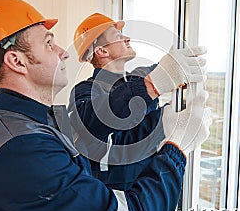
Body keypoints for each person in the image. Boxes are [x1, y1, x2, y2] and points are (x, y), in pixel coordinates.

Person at [0, 0, 211, 211]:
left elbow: (116, 133)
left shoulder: (34, 123)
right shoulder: (21, 149)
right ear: (16, 61)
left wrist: (163, 123)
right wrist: (176, 147)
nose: (64, 53)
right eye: (49, 43)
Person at [68, 13, 207, 190]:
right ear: (102, 51)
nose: (127, 38)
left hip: (149, 184)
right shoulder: (85, 91)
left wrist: (176, 66)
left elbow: (158, 73)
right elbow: (117, 141)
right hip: (117, 194)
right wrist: (164, 119)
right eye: (118, 37)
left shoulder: (134, 80)